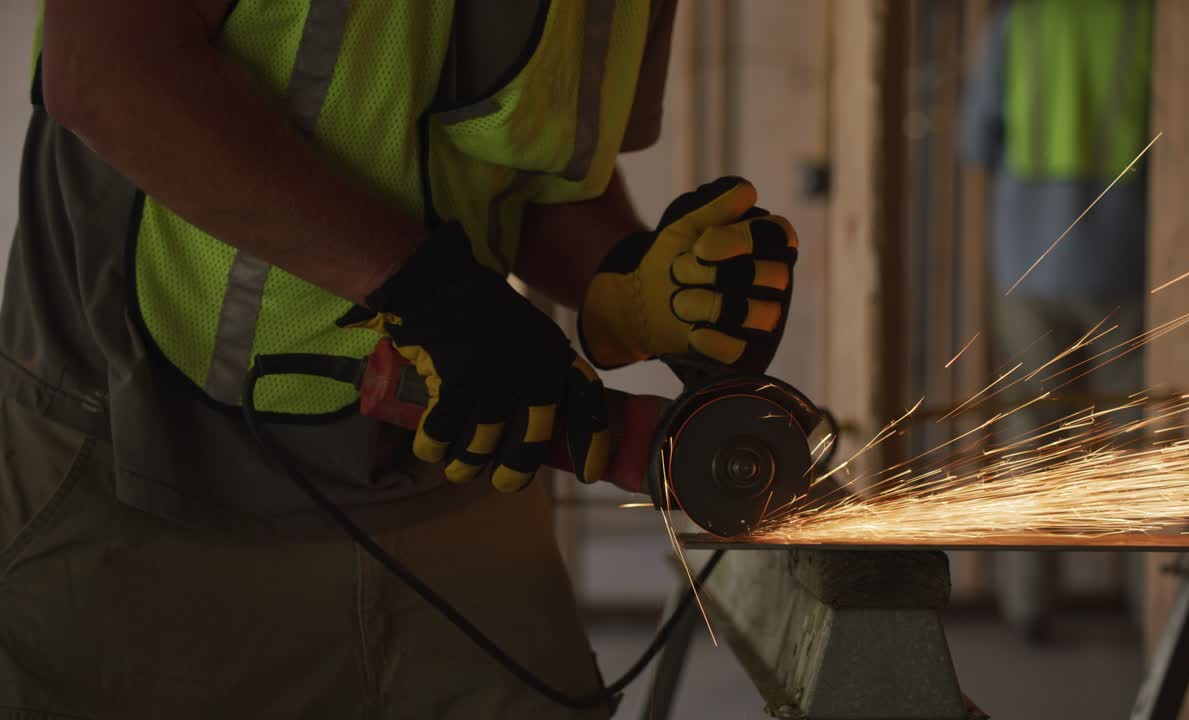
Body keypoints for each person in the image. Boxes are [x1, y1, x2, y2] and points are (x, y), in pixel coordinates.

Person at [0, 1, 799, 717]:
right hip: (142, 478)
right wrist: (431, 292)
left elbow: (535, 177)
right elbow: (106, 73)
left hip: (445, 486)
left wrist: (630, 281)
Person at [959, 0, 1152, 642]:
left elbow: (976, 139)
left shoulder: (1022, 22)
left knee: (1032, 427)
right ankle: (1153, 601)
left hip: (1027, 258)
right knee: (1137, 429)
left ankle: (1029, 603)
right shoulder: (1143, 19)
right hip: (1125, 254)